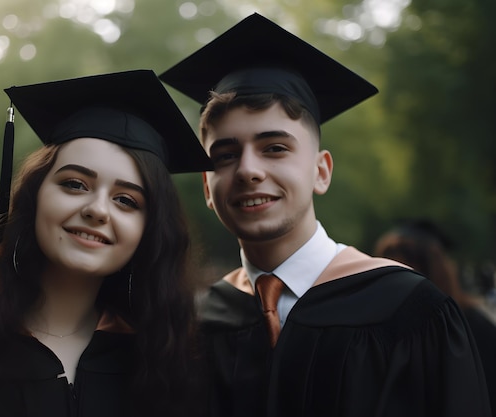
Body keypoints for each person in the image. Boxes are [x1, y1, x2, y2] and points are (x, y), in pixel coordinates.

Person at [160, 13, 492, 417]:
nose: (248, 169)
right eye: (226, 155)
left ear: (321, 172)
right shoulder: (197, 324)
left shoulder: (409, 309)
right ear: (206, 188)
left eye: (275, 148)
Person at [0, 69, 213, 417]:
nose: (97, 210)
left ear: (149, 230)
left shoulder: (165, 366)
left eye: (127, 201)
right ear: (33, 198)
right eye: (75, 184)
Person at [373, 219, 496, 416]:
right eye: (388, 270)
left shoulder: (475, 330)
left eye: (406, 272)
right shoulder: (373, 328)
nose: (395, 282)